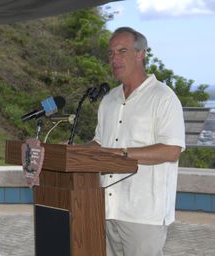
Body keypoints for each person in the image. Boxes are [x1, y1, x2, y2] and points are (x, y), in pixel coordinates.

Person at [89, 27, 185, 256]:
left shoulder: (163, 97)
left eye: (122, 51)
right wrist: (71, 151)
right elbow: (98, 144)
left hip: (144, 214)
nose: (115, 58)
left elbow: (171, 150)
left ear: (141, 54)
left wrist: (121, 154)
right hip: (108, 207)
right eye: (111, 53)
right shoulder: (109, 100)